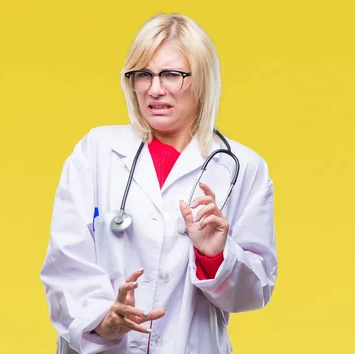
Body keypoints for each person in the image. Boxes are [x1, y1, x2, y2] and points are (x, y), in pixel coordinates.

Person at [39, 13, 278, 354]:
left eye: (171, 75)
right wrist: (105, 320)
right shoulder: (96, 151)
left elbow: (255, 291)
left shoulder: (242, 168)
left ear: (202, 81)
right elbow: (65, 261)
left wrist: (215, 255)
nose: (154, 89)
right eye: (144, 75)